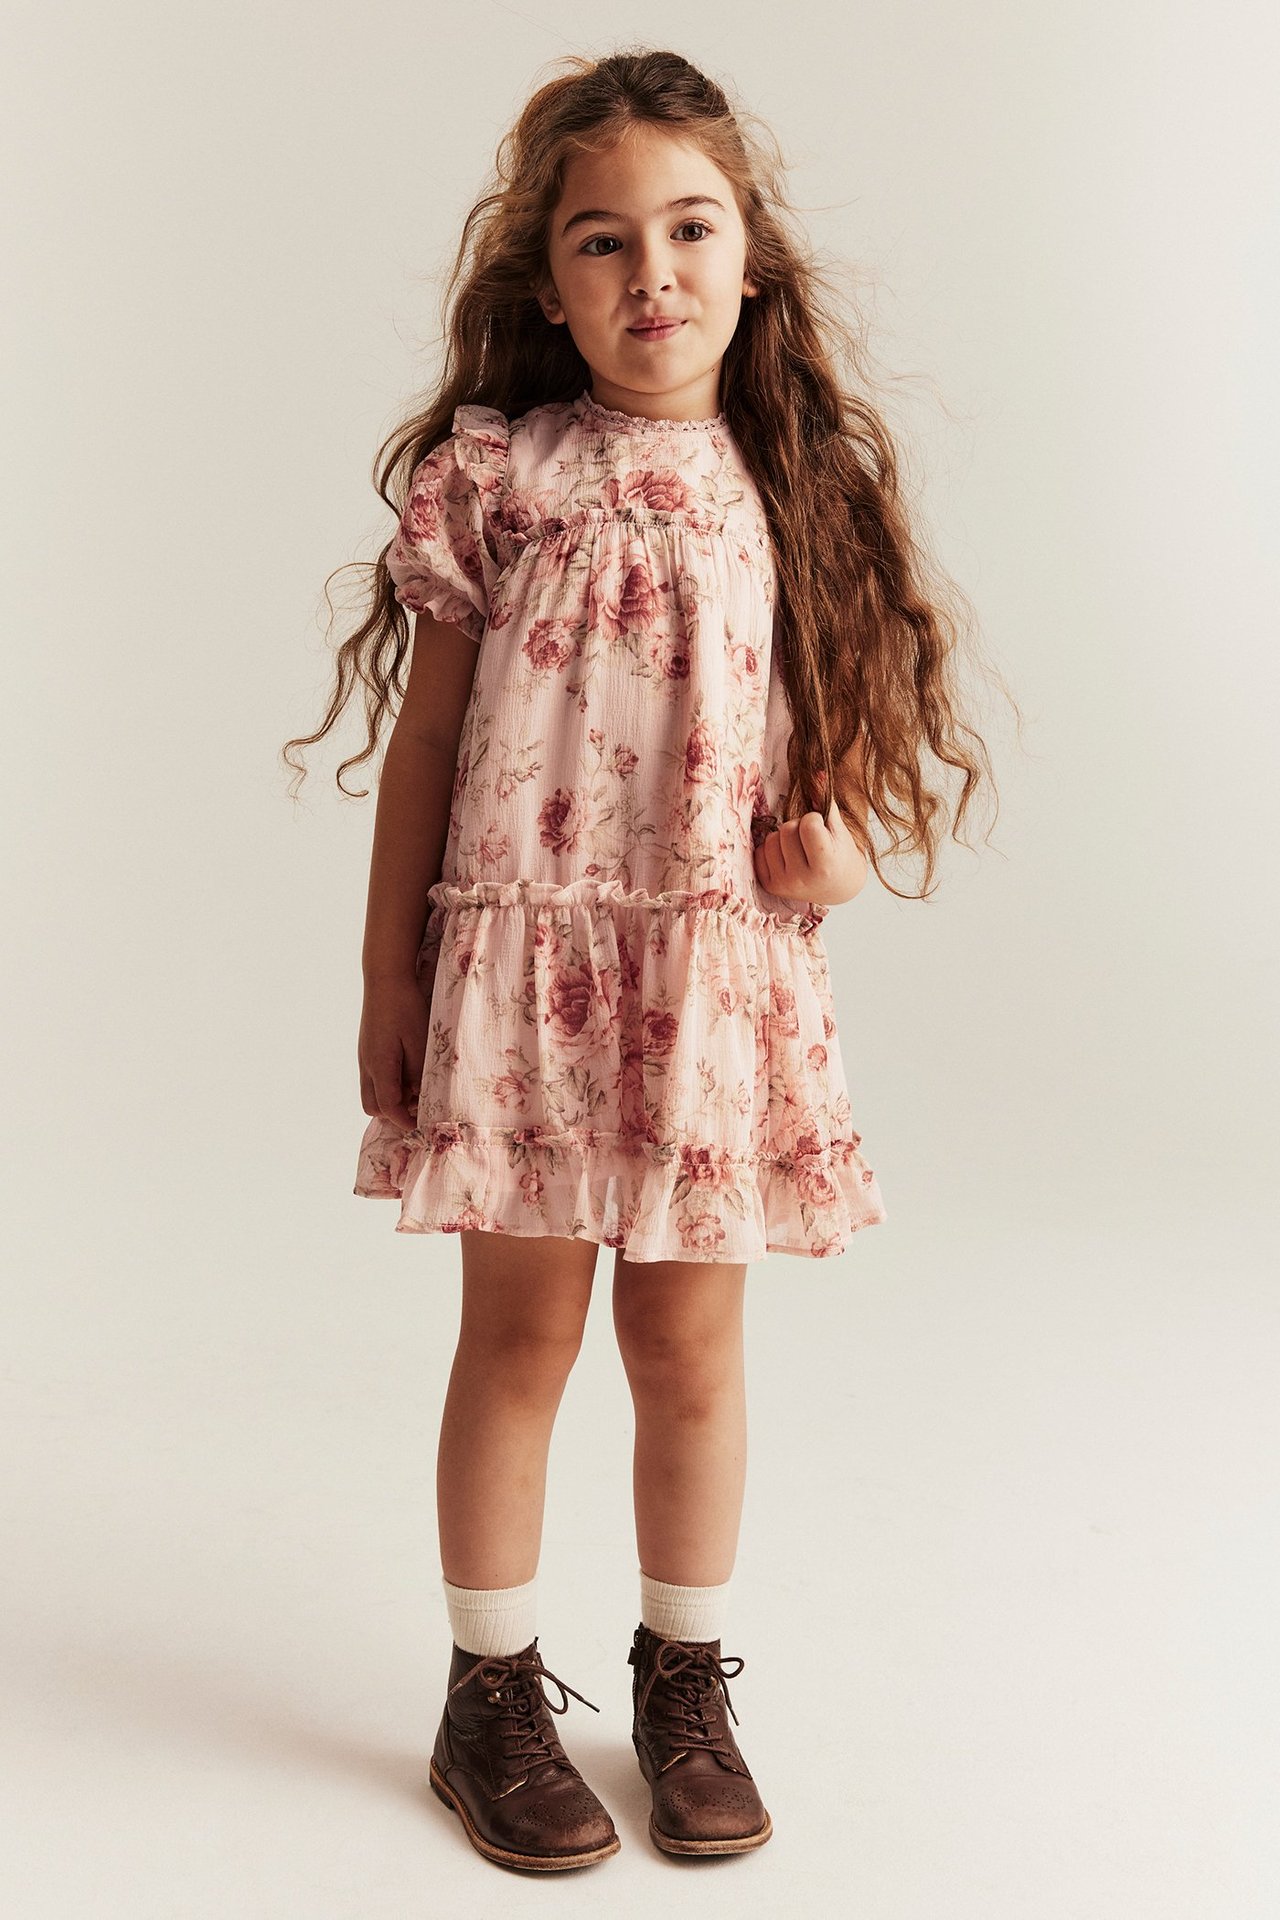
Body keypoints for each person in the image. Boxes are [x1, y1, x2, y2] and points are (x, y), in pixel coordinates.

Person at [283, 46, 1008, 1875]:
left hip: (712, 984)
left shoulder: (793, 481)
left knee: (689, 1344)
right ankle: (488, 1691)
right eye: (604, 243)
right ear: (551, 285)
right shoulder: (498, 474)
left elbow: (835, 765)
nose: (653, 273)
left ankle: (685, 1675)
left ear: (752, 258)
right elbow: (433, 755)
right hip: (519, 976)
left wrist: (835, 858)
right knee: (516, 1335)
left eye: (691, 229)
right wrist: (388, 984)